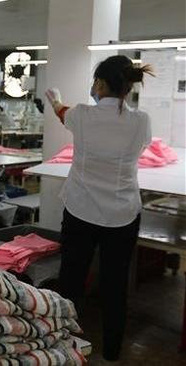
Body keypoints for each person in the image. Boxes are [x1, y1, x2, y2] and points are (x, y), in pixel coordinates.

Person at [46, 55, 153, 362]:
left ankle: (62, 345)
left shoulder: (81, 116)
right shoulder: (141, 121)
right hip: (122, 215)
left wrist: (55, 97)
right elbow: (140, 147)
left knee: (71, 279)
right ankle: (113, 350)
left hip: (81, 210)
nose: (92, 87)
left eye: (95, 82)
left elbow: (60, 112)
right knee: (115, 285)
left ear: (102, 84)